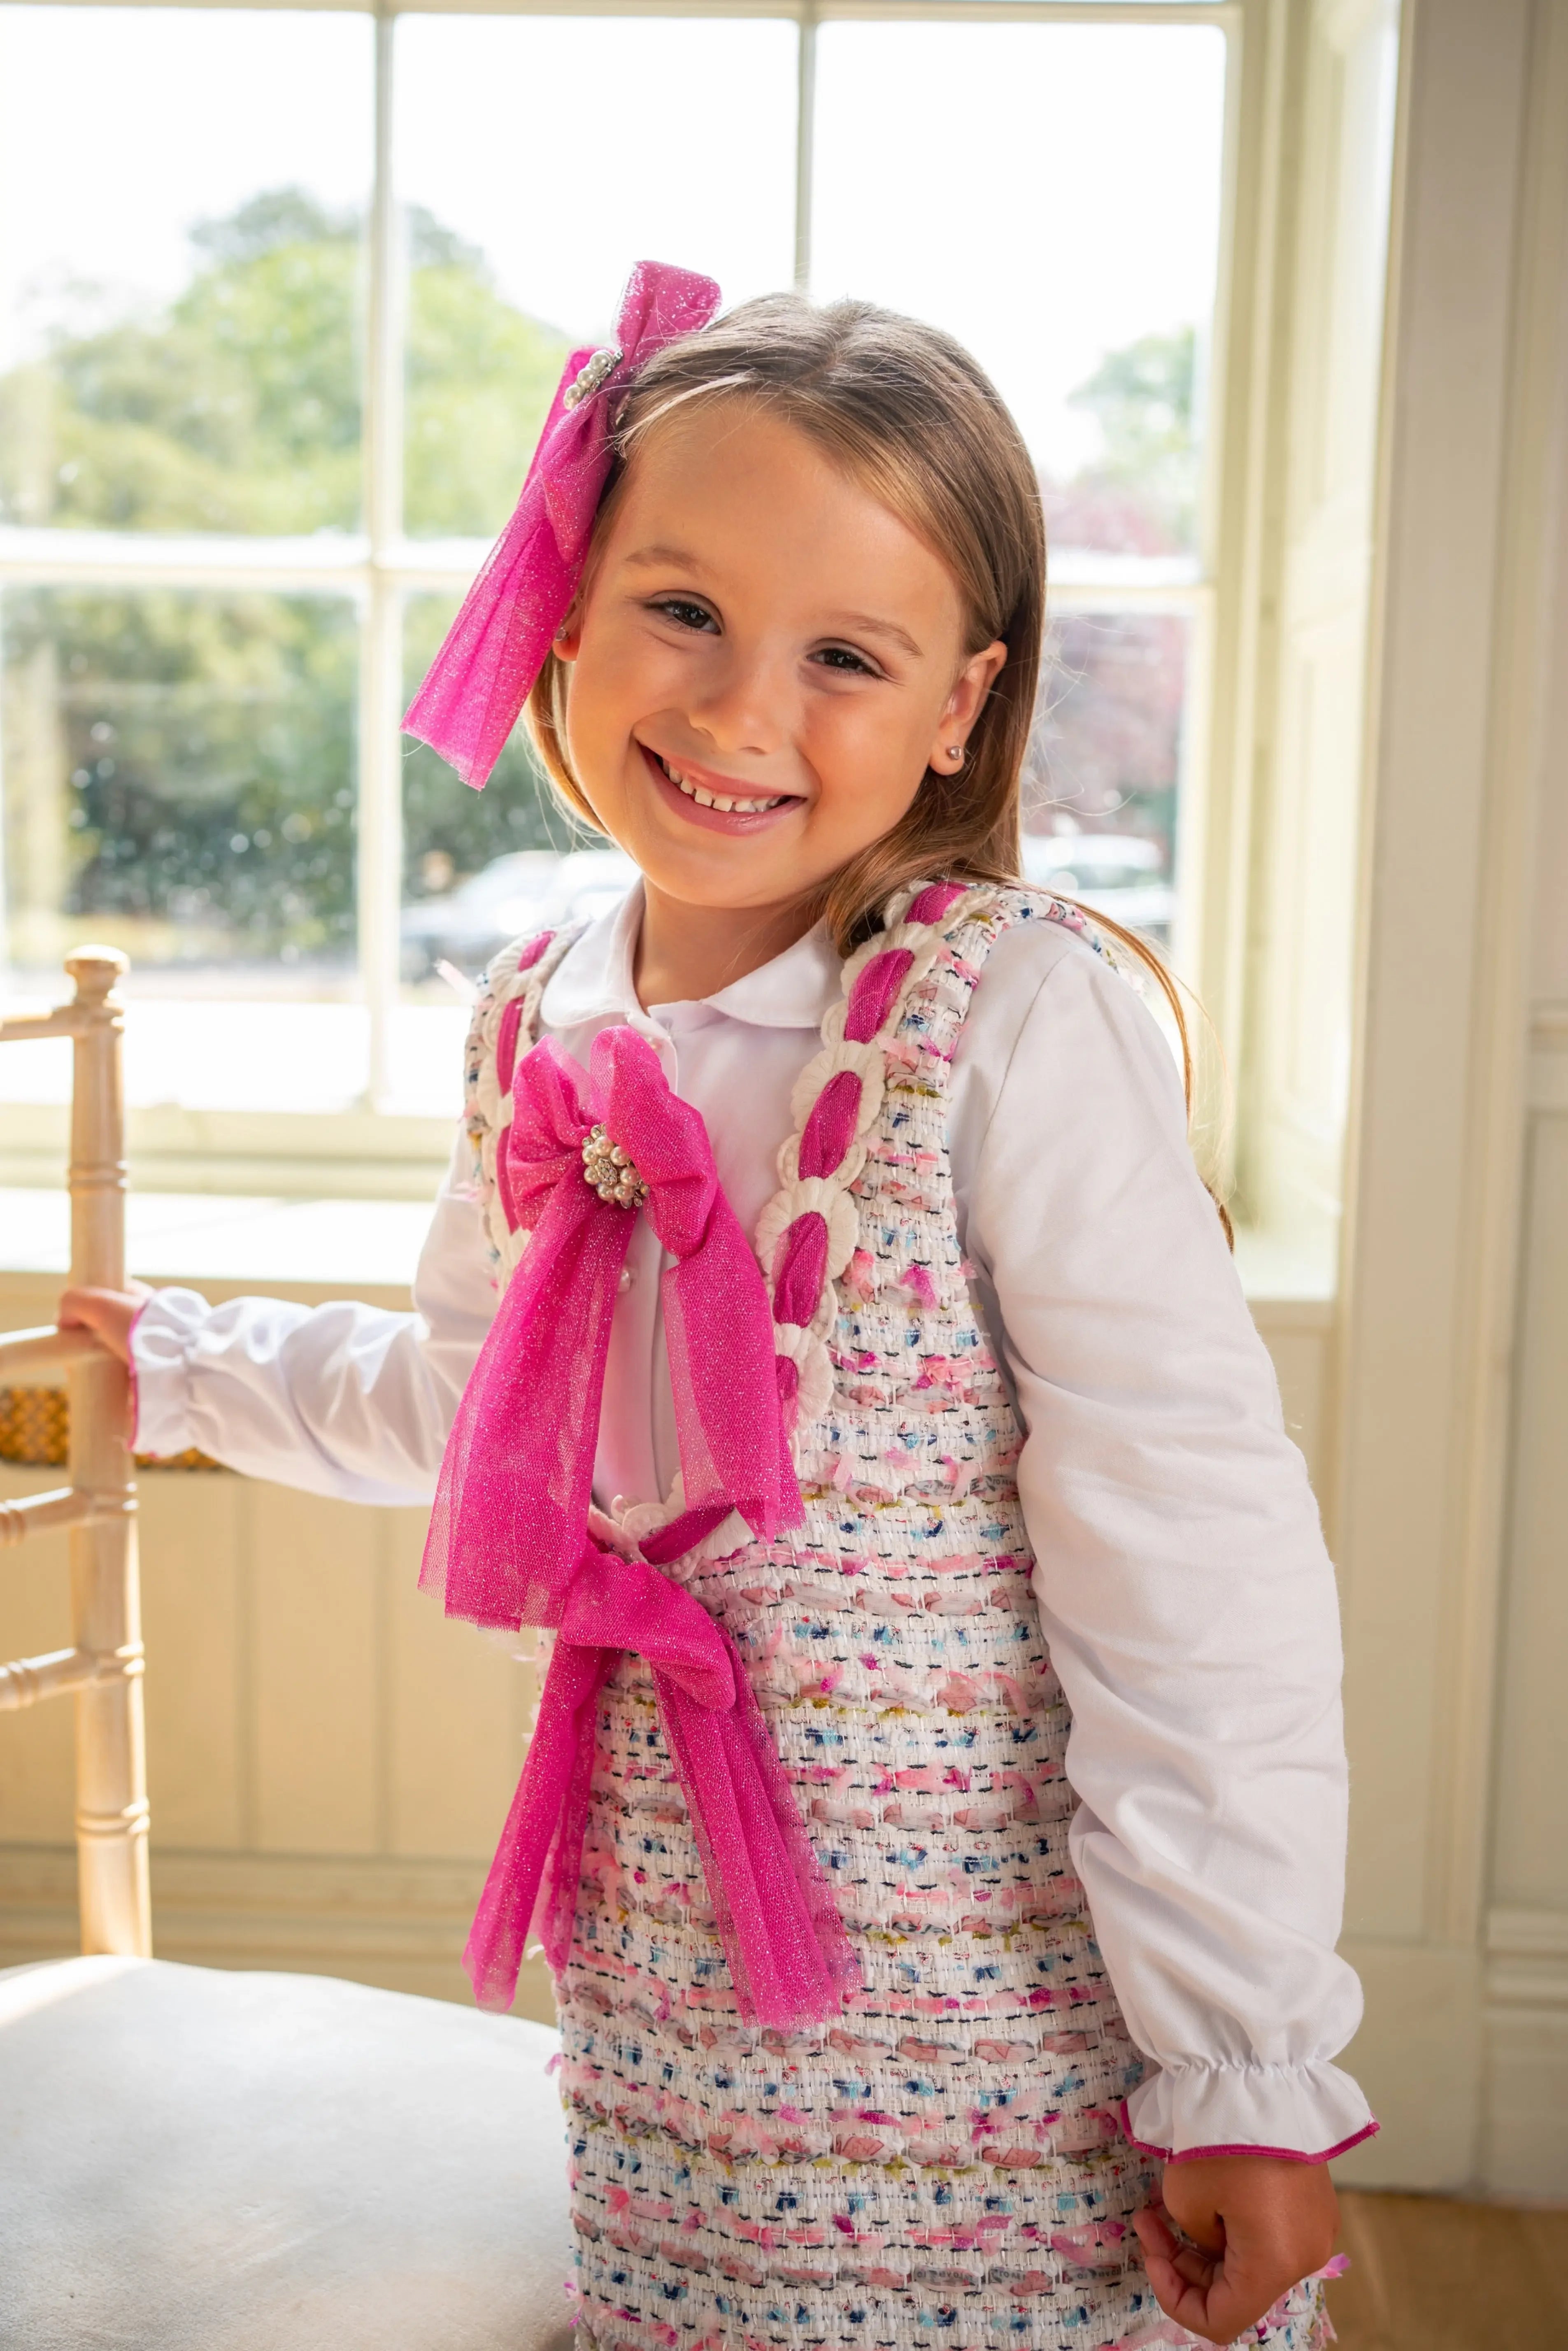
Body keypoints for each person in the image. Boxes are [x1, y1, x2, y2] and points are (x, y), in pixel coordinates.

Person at [63, 263, 1373, 2351]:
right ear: (564, 611)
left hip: (1007, 2012)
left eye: (844, 654)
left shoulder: (1012, 1021)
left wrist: (1239, 2062)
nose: (742, 710)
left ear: (959, 707)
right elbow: (479, 1409)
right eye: (681, 608)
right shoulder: (530, 1021)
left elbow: (1190, 1565)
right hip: (672, 1998)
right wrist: (196, 1369)